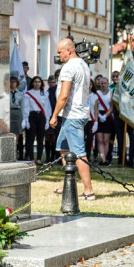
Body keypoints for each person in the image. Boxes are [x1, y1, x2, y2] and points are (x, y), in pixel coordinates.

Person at [48, 39, 96, 200]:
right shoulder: (83, 64)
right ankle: (69, 184)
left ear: (69, 50)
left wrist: (54, 115)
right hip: (78, 113)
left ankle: (88, 191)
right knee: (63, 146)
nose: (58, 55)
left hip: (72, 115)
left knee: (79, 152)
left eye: (60, 52)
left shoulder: (69, 67)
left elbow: (64, 95)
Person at [20, 76, 49, 162]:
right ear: (32, 83)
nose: (37, 83)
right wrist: (26, 120)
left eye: (39, 82)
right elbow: (26, 107)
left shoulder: (45, 93)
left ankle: (39, 159)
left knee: (40, 138)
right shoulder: (28, 94)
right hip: (31, 116)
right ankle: (32, 158)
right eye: (35, 82)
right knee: (30, 138)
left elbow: (47, 108)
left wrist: (47, 120)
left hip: (41, 116)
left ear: (41, 83)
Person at [9, 75, 23, 159]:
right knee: (9, 133)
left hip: (17, 112)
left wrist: (24, 119)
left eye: (14, 82)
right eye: (11, 81)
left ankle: (16, 154)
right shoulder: (7, 93)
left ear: (17, 83)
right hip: (9, 112)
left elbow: (23, 106)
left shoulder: (20, 93)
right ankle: (9, 153)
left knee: (17, 135)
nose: (12, 83)